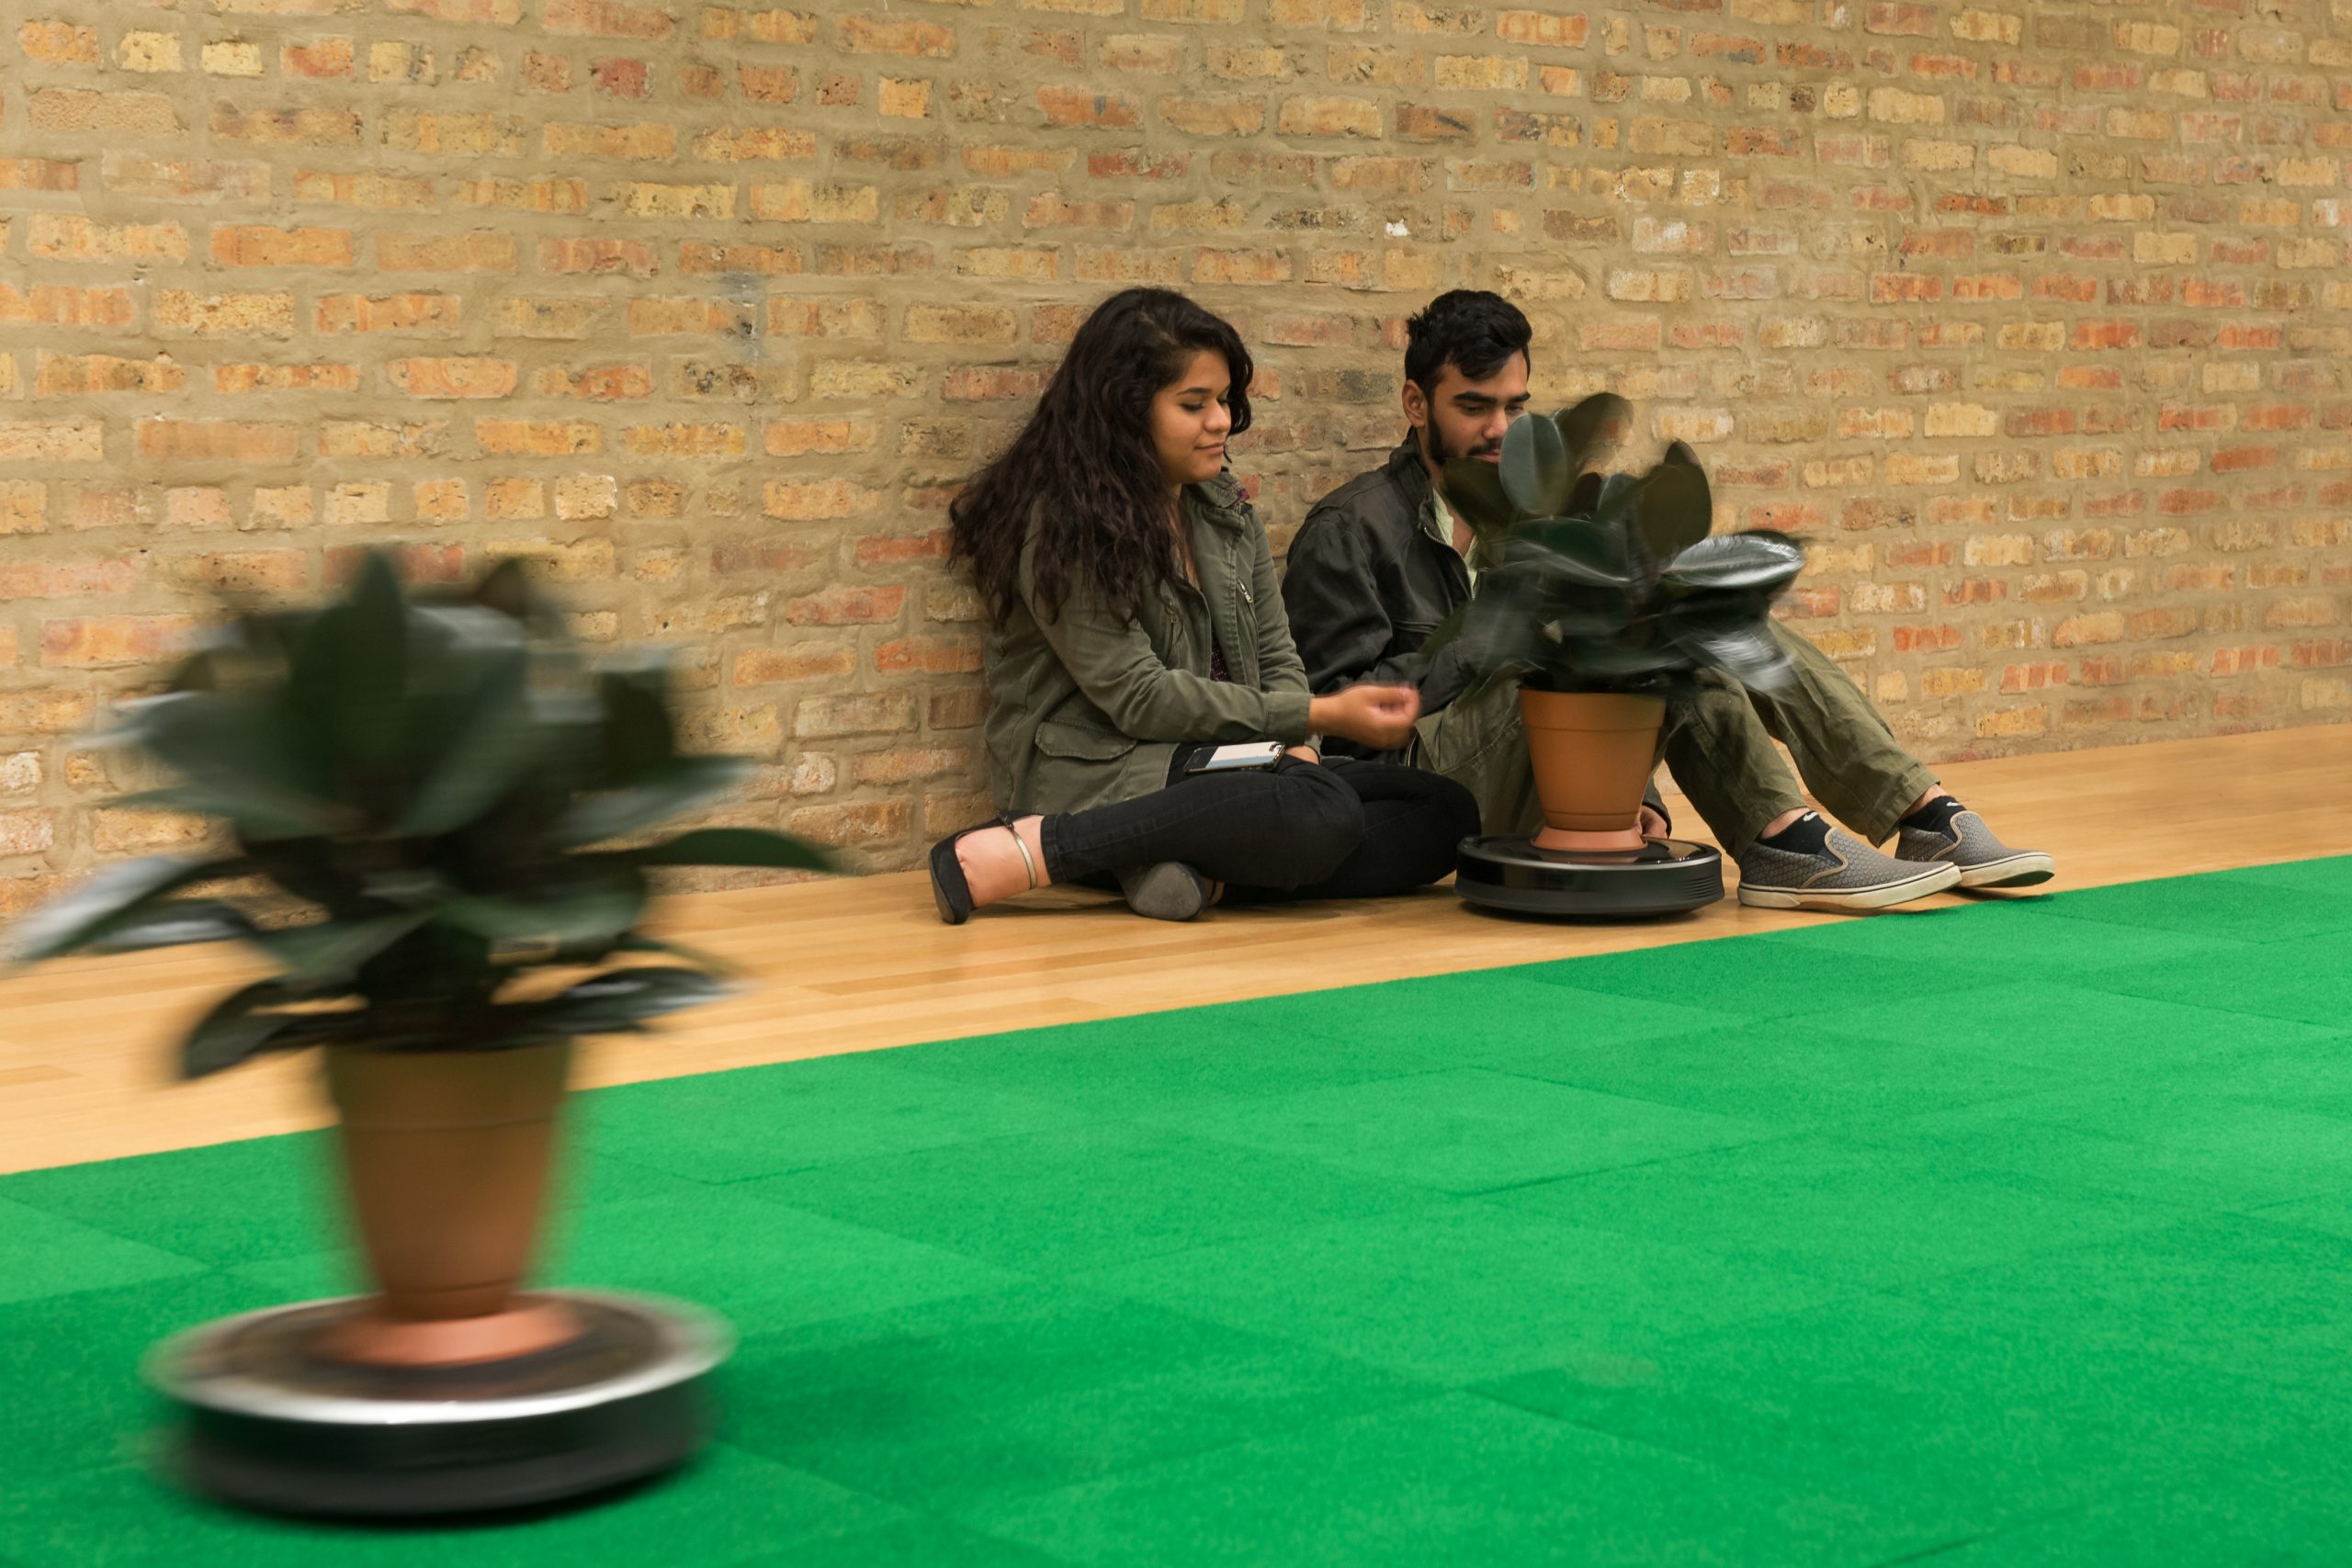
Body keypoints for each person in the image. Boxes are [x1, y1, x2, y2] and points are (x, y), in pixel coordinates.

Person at [1280, 288, 2053, 913]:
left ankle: (1919, 813)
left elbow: (1597, 668)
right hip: (1430, 783)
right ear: (1416, 403)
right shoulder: (1352, 528)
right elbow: (1330, 725)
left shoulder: (1534, 509)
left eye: (1517, 407)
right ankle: (1792, 836)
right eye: (1475, 406)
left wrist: (1627, 792)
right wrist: (1491, 629)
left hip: (1535, 757)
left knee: (1693, 616)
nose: (1501, 429)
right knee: (1633, 628)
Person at [929, 287, 1481, 924]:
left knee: (1445, 812)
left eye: (1222, 400)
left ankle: (1193, 871)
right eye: (1194, 404)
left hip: (1223, 765)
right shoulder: (1062, 523)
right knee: (1319, 812)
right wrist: (1317, 713)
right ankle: (1041, 850)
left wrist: (1294, 739)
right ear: (1125, 409)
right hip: (1099, 772)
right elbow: (1139, 697)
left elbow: (1279, 655)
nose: (1221, 420)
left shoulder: (1223, 506)